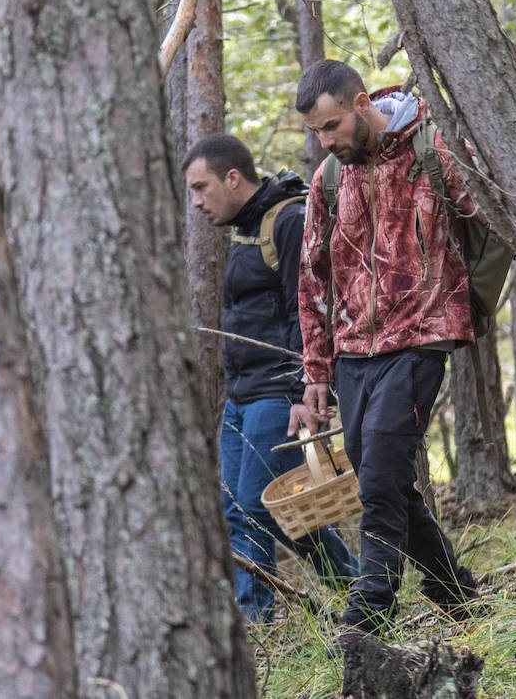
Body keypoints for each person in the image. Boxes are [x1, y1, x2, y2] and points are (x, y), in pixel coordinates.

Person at [289, 59, 479, 635]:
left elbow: (491, 223)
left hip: (422, 338)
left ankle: (371, 608)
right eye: (317, 132)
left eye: (332, 126)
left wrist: (465, 302)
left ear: (362, 102)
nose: (326, 141)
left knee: (377, 478)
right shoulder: (328, 180)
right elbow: (312, 277)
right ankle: (456, 593)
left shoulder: (434, 151)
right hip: (353, 353)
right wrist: (316, 370)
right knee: (383, 473)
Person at [183, 133, 357, 625]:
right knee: (235, 507)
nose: (196, 201)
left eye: (201, 188)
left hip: (276, 393)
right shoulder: (247, 225)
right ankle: (258, 622)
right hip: (240, 397)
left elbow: (310, 311)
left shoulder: (288, 221)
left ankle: (353, 586)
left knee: (265, 506)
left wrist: (304, 390)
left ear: (233, 178)